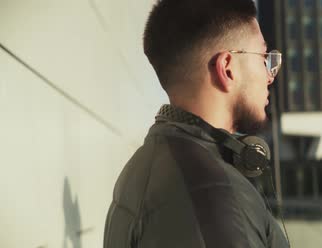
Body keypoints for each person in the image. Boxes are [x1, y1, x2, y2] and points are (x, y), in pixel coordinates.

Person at [103, 0, 288, 247]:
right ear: (228, 69)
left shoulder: (146, 164)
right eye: (263, 57)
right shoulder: (213, 196)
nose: (269, 75)